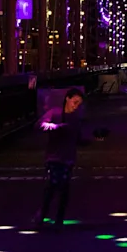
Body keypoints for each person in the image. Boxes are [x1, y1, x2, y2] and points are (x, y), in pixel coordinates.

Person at [32, 88, 87, 228]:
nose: (76, 106)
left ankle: (57, 219)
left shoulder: (75, 118)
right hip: (54, 157)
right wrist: (56, 127)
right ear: (67, 98)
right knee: (53, 186)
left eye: (78, 104)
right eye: (75, 102)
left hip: (67, 157)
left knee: (63, 189)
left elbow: (79, 138)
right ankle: (44, 215)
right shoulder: (55, 113)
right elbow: (39, 125)